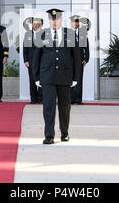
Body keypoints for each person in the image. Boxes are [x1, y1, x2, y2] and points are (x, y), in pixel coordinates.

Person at [32, 8, 81, 145]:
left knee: (65, 107)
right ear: (49, 20)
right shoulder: (42, 34)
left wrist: (76, 77)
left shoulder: (70, 34)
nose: (54, 22)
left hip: (65, 76)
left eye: (57, 19)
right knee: (48, 106)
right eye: (52, 19)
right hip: (47, 76)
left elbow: (76, 57)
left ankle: (64, 133)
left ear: (61, 19)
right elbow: (36, 57)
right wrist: (36, 77)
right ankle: (49, 136)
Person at [69, 15, 90, 105]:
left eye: (77, 22)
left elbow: (86, 48)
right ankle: (70, 99)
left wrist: (86, 59)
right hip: (69, 61)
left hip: (80, 60)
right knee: (70, 79)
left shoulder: (83, 34)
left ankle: (78, 99)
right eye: (74, 22)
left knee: (79, 79)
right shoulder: (68, 34)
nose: (75, 24)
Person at [23, 17, 44, 104]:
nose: (35, 25)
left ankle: (41, 98)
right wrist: (26, 60)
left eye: (37, 24)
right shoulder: (28, 34)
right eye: (34, 24)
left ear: (40, 25)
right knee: (32, 81)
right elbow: (25, 49)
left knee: (42, 80)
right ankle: (33, 98)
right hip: (31, 61)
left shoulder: (44, 34)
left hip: (42, 61)